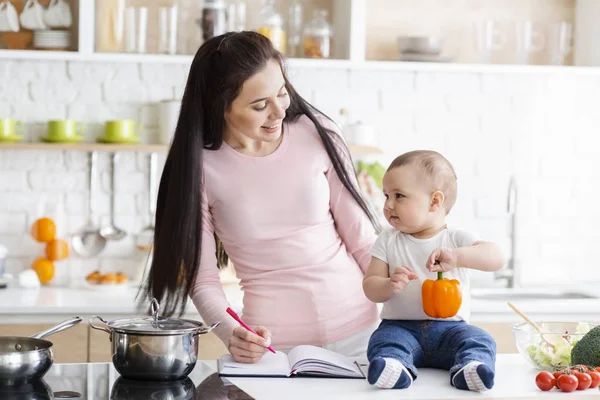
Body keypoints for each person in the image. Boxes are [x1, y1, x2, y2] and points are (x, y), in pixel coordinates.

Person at [142, 31, 381, 363]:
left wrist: (405, 300)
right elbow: (203, 278)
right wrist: (230, 331)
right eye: (259, 106)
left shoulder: (318, 133)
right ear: (220, 107)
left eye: (281, 93)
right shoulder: (201, 167)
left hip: (363, 333)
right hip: (273, 349)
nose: (279, 112)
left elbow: (363, 241)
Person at [362, 150, 505, 392]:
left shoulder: (455, 238)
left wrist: (457, 257)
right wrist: (388, 285)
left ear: (435, 201)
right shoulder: (387, 239)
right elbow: (370, 286)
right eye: (386, 196)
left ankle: (469, 369)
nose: (388, 205)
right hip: (400, 327)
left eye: (399, 196)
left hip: (451, 329)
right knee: (383, 341)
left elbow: (496, 258)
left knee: (480, 339)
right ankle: (395, 367)